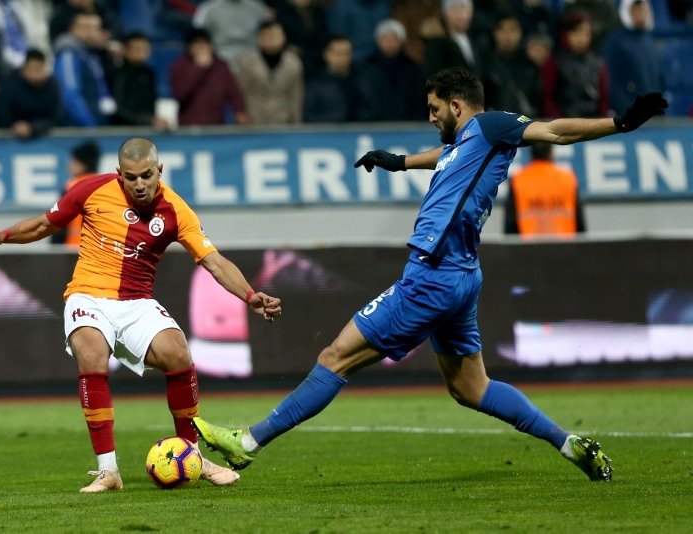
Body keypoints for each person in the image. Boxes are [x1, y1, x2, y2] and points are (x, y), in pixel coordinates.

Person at [192, 67, 668, 482]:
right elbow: (442, 159)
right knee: (471, 388)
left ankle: (248, 443)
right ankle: (568, 443)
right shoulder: (468, 142)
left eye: (434, 108)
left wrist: (619, 123)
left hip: (432, 277)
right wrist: (399, 162)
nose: (430, 116)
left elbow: (555, 132)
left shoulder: (492, 125)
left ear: (457, 105)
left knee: (335, 356)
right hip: (460, 277)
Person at [0, 137, 283, 492]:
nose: (139, 184)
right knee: (92, 354)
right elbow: (45, 225)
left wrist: (249, 295)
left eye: (146, 175)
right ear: (119, 174)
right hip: (87, 295)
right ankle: (108, 471)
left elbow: (213, 261)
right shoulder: (92, 189)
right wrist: (4, 236)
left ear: (159, 170)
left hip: (136, 302)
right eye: (131, 177)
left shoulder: (177, 211)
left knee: (178, 353)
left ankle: (192, 455)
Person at [169, 27, 248, 126]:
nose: (202, 49)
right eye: (198, 46)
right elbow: (180, 94)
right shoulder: (179, 66)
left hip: (217, 126)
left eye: (205, 45)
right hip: (189, 128)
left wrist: (239, 111)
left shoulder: (221, 65)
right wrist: (199, 68)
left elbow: (234, 92)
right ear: (189, 47)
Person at [504, 141, 586, 236]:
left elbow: (510, 227)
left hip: (528, 249)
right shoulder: (568, 178)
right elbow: (580, 226)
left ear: (531, 153)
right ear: (551, 151)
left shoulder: (518, 180)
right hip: (566, 248)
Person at [235, 20, 304, 125]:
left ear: (283, 37)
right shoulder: (246, 62)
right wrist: (242, 116)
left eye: (275, 35)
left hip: (283, 120)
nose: (271, 39)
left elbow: (296, 96)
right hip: (253, 120)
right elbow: (240, 92)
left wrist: (297, 122)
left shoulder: (294, 63)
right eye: (266, 35)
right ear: (259, 38)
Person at [0, 48, 62, 138]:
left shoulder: (52, 86)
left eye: (40, 69)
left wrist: (33, 128)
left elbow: (56, 117)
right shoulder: (9, 85)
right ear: (24, 69)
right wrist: (15, 126)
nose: (36, 74)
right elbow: (2, 115)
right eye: (33, 69)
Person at [50, 140, 101, 247]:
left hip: (72, 250)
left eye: (73, 161)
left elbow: (59, 221)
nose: (69, 165)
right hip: (97, 252)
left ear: (81, 164)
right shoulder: (103, 186)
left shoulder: (70, 187)